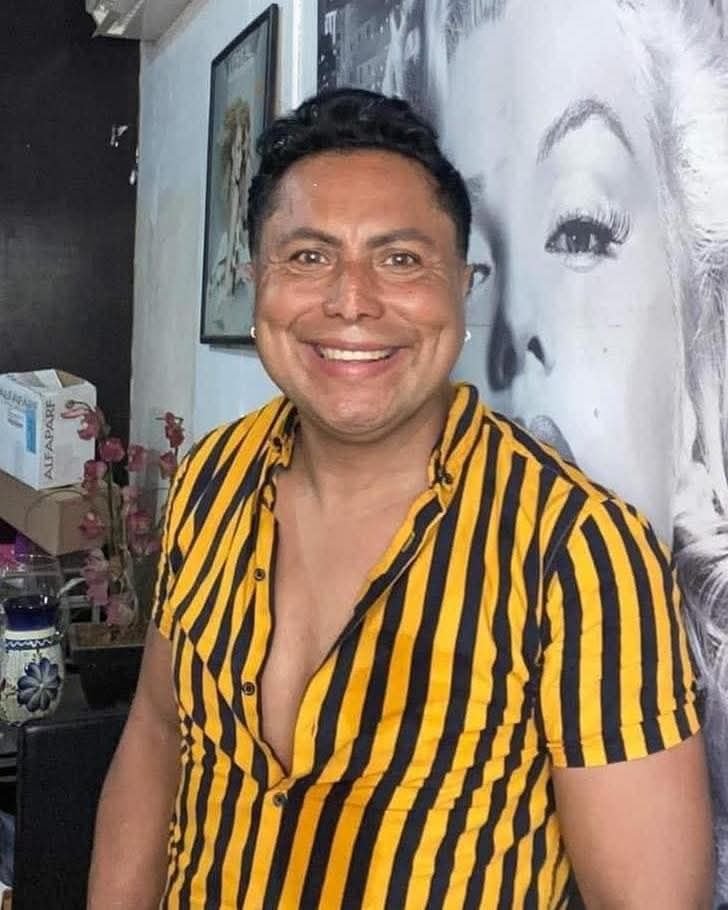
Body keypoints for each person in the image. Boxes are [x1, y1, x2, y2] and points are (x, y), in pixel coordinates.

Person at [87, 88, 712, 908]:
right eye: (308, 257)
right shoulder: (211, 479)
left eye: (401, 260)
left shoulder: (580, 552)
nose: (352, 301)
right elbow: (157, 735)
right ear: (255, 285)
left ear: (463, 288)